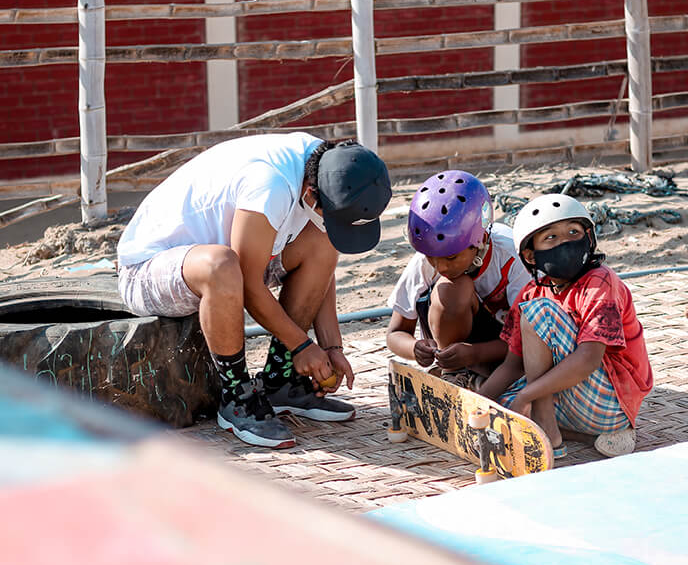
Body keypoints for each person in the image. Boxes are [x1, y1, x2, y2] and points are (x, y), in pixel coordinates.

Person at [117, 133, 392, 449]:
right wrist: (302, 345)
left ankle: (281, 381)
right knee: (222, 266)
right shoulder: (270, 186)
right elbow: (249, 286)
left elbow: (322, 272)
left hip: (231, 264)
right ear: (311, 195)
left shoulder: (328, 165)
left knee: (322, 243)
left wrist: (332, 348)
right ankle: (236, 395)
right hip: (147, 271)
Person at [478, 193, 653, 458]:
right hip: (574, 402)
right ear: (531, 256)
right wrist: (478, 404)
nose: (566, 243)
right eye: (551, 238)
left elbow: (588, 359)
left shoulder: (600, 282)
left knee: (541, 314)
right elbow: (512, 365)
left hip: (612, 401)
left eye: (573, 232)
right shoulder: (531, 291)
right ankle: (581, 434)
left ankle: (548, 426)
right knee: (502, 406)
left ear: (588, 239)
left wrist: (527, 396)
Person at [386, 171, 531, 389]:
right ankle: (455, 374)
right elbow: (395, 333)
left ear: (481, 239)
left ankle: (479, 373)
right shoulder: (425, 259)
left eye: (451, 257)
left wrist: (475, 353)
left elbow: (531, 340)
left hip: (508, 351)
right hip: (452, 349)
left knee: (458, 287)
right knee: (453, 288)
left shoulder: (511, 256)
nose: (441, 266)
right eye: (431, 258)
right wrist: (414, 348)